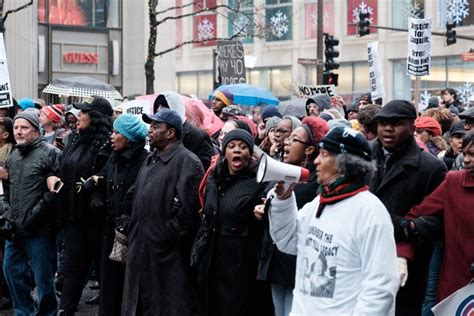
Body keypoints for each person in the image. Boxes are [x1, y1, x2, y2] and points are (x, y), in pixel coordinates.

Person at [267, 126, 399, 314]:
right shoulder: (318, 203)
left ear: (345, 163)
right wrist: (284, 200)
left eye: (324, 154)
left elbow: (380, 286)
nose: (317, 161)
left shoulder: (370, 211)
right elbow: (288, 241)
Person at [369, 100, 447, 315]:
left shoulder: (431, 167)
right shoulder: (363, 156)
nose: (387, 128)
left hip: (407, 268)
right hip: (362, 259)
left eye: (396, 123)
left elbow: (436, 221)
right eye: (382, 122)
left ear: (413, 128)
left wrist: (406, 227)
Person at [122, 109, 204, 315]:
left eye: (156, 127)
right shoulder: (151, 159)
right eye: (150, 126)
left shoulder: (188, 161)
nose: (150, 131)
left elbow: (187, 211)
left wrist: (164, 235)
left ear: (171, 133)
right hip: (141, 248)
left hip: (166, 255)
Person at [255, 116, 328, 316]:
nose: (286, 143)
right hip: (277, 259)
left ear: (309, 149)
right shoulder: (283, 170)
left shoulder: (316, 183)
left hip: (297, 265)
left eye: (293, 139)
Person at [192, 129, 269, 316]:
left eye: (243, 147)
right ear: (224, 152)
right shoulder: (214, 178)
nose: (237, 151)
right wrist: (196, 252)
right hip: (211, 258)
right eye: (232, 146)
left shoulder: (258, 182)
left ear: (250, 154)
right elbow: (207, 218)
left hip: (239, 263)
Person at [397, 132, 474, 312]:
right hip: (457, 288)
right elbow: (416, 215)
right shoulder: (454, 182)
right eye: (466, 153)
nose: (468, 160)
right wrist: (403, 251)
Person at [56, 96, 114, 315]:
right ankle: (65, 311)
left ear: (96, 117)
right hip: (74, 219)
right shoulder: (74, 140)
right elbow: (64, 170)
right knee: (73, 270)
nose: (77, 116)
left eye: (83, 113)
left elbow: (110, 176)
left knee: (104, 275)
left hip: (99, 221)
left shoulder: (109, 143)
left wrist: (97, 182)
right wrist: (54, 178)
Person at [1, 111, 61, 315]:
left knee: (43, 281)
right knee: (11, 272)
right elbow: (7, 190)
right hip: (15, 229)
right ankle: (24, 312)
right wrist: (8, 215)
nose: (18, 131)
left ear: (36, 130)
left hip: (40, 231)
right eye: (16, 127)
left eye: (24, 127)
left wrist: (32, 218)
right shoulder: (13, 155)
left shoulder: (51, 153)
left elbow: (54, 193)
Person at [93, 114, 149, 316]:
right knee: (109, 284)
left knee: (128, 284)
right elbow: (104, 180)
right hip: (110, 229)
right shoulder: (113, 158)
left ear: (129, 138)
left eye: (117, 132)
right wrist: (97, 197)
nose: (111, 136)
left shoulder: (145, 162)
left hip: (132, 232)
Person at [154, 91, 214, 170]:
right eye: (158, 106)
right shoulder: (157, 134)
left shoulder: (198, 135)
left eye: (163, 106)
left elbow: (202, 167)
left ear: (175, 108)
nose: (159, 110)